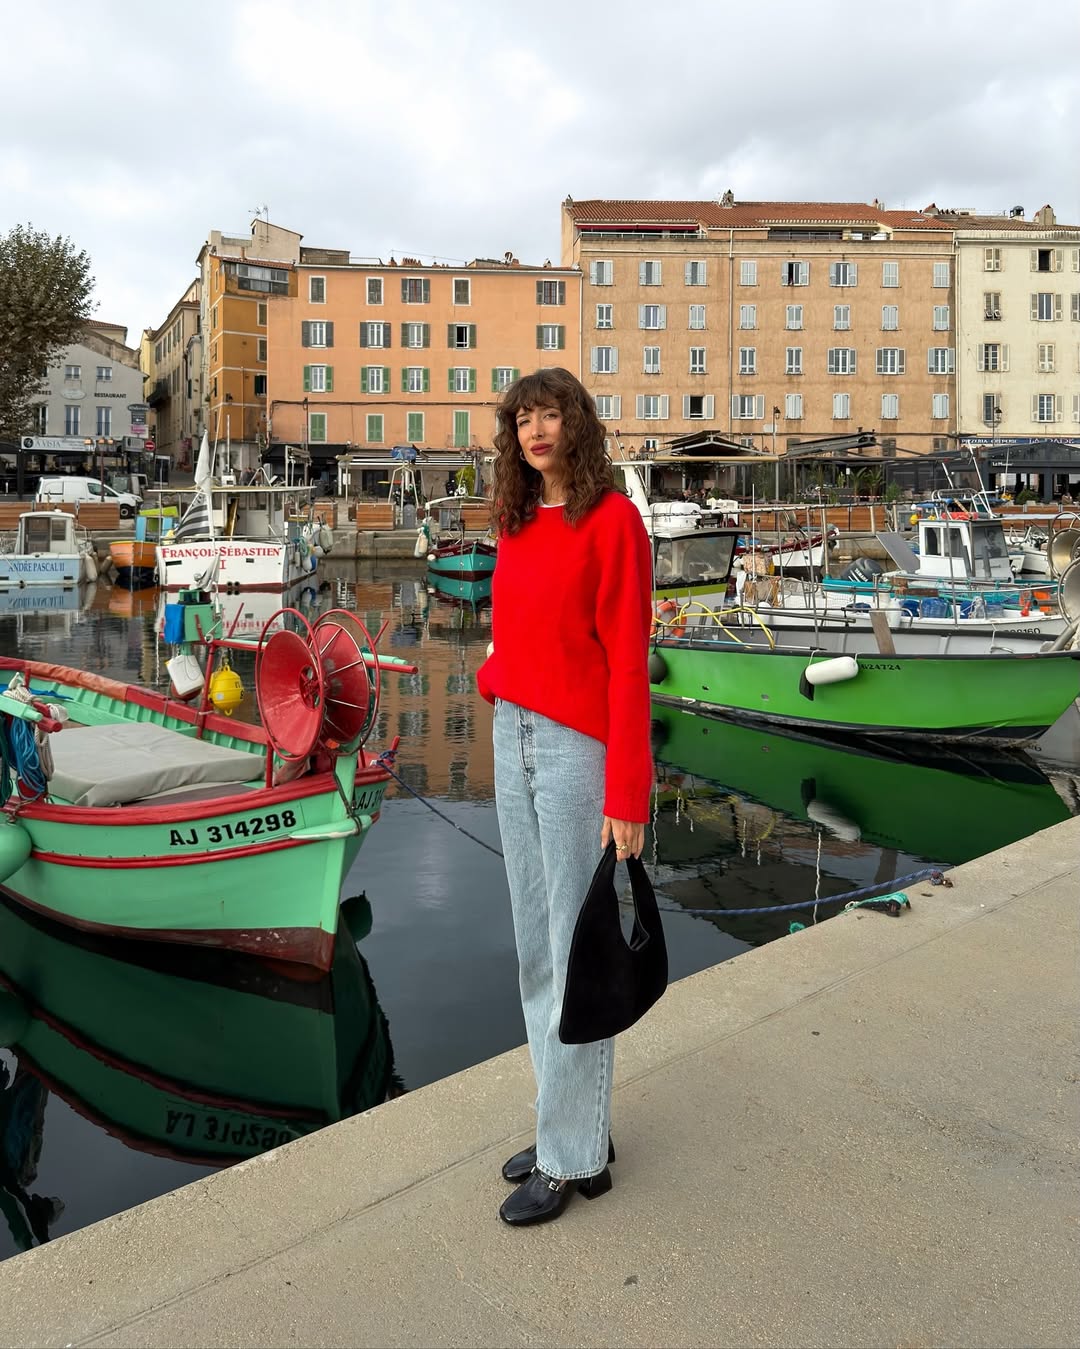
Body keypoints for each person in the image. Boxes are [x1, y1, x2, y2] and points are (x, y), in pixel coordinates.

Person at [476, 367, 653, 1228]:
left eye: (549, 414)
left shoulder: (614, 521)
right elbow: (516, 631)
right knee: (533, 947)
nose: (535, 431)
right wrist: (496, 680)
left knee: (572, 947)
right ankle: (569, 1120)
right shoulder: (514, 521)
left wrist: (630, 794)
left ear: (576, 424)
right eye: (523, 418)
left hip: (579, 753)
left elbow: (627, 663)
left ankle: (572, 1156)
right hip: (513, 735)